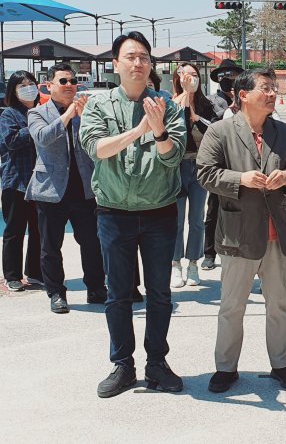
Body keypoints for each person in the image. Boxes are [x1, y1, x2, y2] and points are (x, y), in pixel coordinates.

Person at [79, 32, 187, 398]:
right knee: (118, 294)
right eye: (130, 56)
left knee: (159, 294)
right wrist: (140, 129)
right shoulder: (98, 105)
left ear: (151, 64)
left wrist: (158, 132)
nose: (138, 63)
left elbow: (173, 157)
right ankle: (122, 365)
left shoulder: (168, 106)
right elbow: (97, 149)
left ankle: (157, 362)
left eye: (144, 57)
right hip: (114, 213)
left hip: (160, 213)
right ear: (115, 64)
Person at [196, 68, 286, 394]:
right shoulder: (220, 131)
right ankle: (226, 368)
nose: (272, 94)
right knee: (232, 306)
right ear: (243, 95)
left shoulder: (284, 133)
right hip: (238, 234)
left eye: (273, 88)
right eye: (265, 88)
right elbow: (205, 173)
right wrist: (239, 180)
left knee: (280, 304)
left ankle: (281, 364)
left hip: (277, 232)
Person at [26, 63, 106, 314]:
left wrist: (82, 116)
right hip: (51, 190)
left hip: (84, 189)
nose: (70, 85)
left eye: (73, 81)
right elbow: (43, 138)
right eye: (63, 81)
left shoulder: (87, 111)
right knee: (50, 246)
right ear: (49, 86)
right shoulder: (38, 113)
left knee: (92, 242)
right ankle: (57, 293)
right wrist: (69, 114)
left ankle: (96, 287)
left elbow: (96, 143)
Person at [170, 62, 216, 287]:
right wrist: (184, 100)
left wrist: (197, 116)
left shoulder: (207, 104)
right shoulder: (171, 103)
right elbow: (170, 130)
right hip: (176, 167)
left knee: (196, 220)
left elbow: (216, 131)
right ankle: (176, 264)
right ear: (178, 79)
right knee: (176, 221)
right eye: (186, 75)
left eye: (195, 75)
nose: (191, 79)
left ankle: (193, 264)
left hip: (199, 167)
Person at [0, 71, 42, 291]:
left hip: (40, 182)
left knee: (38, 229)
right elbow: (11, 141)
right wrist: (35, 127)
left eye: (31, 84)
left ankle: (35, 272)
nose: (28, 88)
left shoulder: (42, 111)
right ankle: (12, 275)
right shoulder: (9, 115)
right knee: (15, 230)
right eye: (22, 85)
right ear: (13, 91)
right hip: (16, 181)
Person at [202, 58, 245, 271]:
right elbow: (208, 125)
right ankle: (208, 252)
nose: (229, 80)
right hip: (220, 162)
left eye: (233, 76)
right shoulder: (211, 101)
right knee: (213, 209)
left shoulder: (246, 99)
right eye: (224, 77)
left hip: (243, 162)